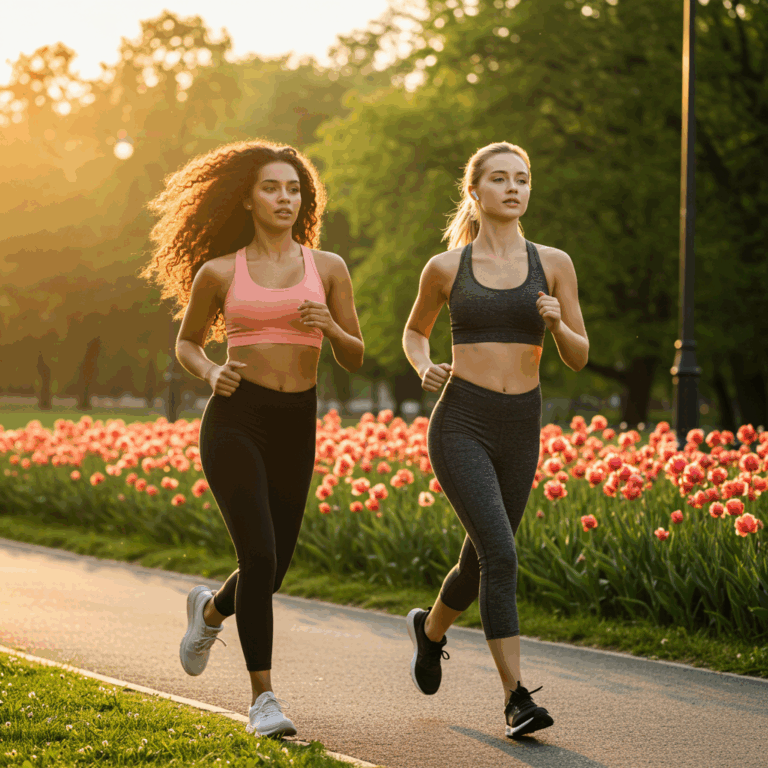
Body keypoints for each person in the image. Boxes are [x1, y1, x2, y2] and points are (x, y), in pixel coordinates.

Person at [140, 139, 364, 738]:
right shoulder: (220, 271)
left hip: (298, 421)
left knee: (275, 570)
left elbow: (357, 356)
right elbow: (186, 344)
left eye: (294, 189)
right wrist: (213, 371)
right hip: (236, 418)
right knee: (259, 556)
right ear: (248, 198)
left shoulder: (329, 268)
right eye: (271, 188)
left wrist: (333, 326)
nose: (284, 198)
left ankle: (209, 609)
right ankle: (263, 700)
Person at [402, 141, 588, 738]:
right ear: (475, 192)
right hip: (461, 421)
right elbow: (413, 332)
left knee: (477, 560)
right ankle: (516, 698)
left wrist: (558, 322)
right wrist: (422, 365)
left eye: (523, 179)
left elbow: (580, 357)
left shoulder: (553, 262)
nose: (513, 187)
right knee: (502, 555)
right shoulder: (446, 268)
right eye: (500, 179)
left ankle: (429, 632)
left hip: (520, 426)